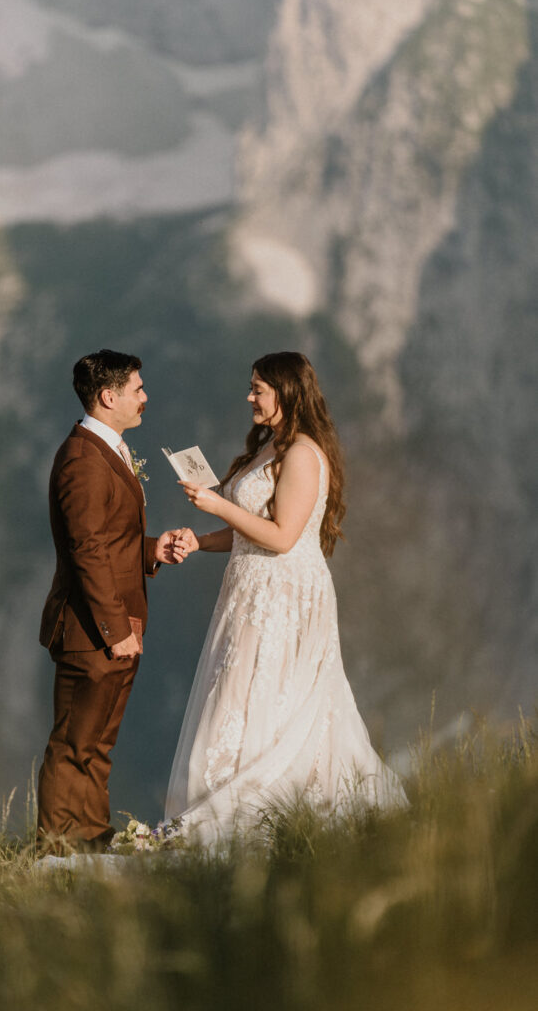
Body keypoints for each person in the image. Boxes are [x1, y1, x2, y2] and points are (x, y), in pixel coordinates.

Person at [165, 352, 407, 846]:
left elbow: (281, 537)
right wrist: (199, 539)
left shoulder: (301, 454)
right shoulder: (269, 448)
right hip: (250, 590)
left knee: (270, 695)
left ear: (286, 391)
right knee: (236, 693)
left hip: (283, 595)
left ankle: (268, 809)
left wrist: (215, 504)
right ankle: (230, 794)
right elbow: (247, 534)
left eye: (257, 388)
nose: (249, 397)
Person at [37, 349, 192, 854]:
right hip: (93, 631)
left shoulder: (110, 450)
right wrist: (115, 629)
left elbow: (108, 538)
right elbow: (86, 549)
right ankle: (59, 851)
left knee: (98, 744)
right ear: (109, 397)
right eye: (138, 390)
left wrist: (153, 550)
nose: (145, 398)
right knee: (74, 744)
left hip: (115, 625)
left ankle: (91, 841)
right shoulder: (83, 460)